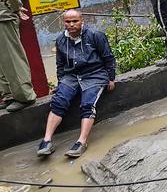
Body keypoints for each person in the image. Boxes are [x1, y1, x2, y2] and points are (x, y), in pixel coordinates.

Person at [37, 9, 116, 158]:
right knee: (59, 101)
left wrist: (111, 78)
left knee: (87, 104)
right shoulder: (61, 40)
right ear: (64, 23)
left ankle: (81, 142)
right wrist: (61, 83)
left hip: (95, 74)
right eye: (68, 22)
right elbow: (60, 65)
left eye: (75, 21)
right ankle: (46, 141)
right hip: (71, 76)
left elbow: (108, 57)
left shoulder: (95, 36)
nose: (72, 24)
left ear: (82, 21)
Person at [0, 0, 37, 112]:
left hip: (3, 17)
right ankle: (9, 95)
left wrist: (16, 7)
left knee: (11, 58)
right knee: (2, 62)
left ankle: (24, 96)